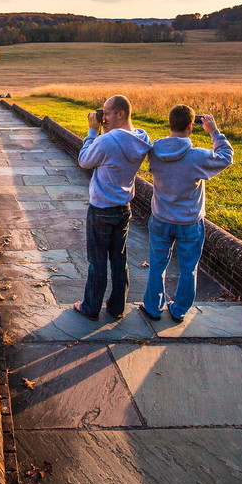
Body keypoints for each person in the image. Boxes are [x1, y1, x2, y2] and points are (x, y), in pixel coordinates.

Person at [140, 104, 233, 322]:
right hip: (189, 221)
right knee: (188, 268)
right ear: (192, 125)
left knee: (157, 263)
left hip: (161, 218)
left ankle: (153, 307)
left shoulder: (154, 152)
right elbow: (226, 156)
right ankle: (179, 309)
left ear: (169, 123)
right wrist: (214, 131)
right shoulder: (197, 157)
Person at [74, 95, 152, 320]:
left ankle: (91, 307)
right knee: (119, 259)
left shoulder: (106, 141)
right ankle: (117, 307)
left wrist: (92, 132)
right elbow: (119, 141)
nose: (104, 117)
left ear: (121, 114)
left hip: (101, 209)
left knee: (97, 261)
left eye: (108, 113)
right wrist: (106, 129)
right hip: (123, 207)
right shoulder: (141, 138)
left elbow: (84, 160)